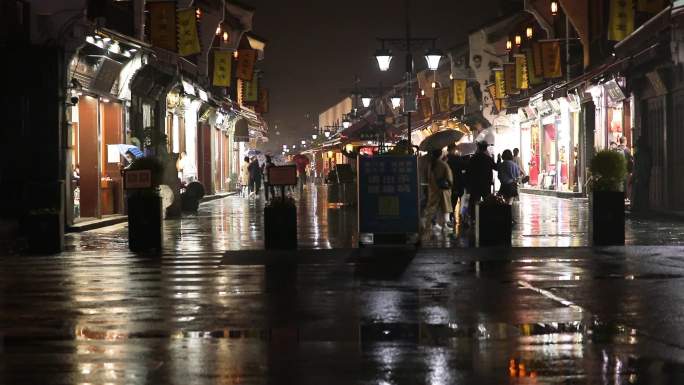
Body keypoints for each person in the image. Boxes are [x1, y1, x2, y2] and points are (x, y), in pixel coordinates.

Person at [421, 149, 453, 236]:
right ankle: (444, 226)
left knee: (432, 209)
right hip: (443, 191)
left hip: (433, 190)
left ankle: (429, 226)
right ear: (441, 155)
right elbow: (449, 179)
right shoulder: (444, 165)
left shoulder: (430, 164)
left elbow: (427, 177)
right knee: (444, 210)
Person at [466, 141, 497, 222]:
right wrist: (498, 160)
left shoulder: (473, 158)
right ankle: (487, 216)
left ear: (478, 148)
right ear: (486, 148)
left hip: (475, 184)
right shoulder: (488, 159)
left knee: (474, 201)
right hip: (486, 184)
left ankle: (473, 218)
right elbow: (496, 167)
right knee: (487, 200)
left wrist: (468, 183)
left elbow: (468, 171)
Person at [446, 144, 468, 225]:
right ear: (454, 149)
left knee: (452, 200)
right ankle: (459, 215)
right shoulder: (458, 158)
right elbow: (465, 167)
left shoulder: (446, 159)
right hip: (459, 182)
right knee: (459, 199)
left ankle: (451, 215)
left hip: (450, 183)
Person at [631, 134, 652, 213]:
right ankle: (643, 207)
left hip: (640, 176)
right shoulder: (647, 153)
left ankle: (638, 207)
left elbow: (637, 167)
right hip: (645, 175)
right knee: (643, 193)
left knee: (638, 192)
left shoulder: (638, 154)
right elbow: (648, 165)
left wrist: (634, 177)